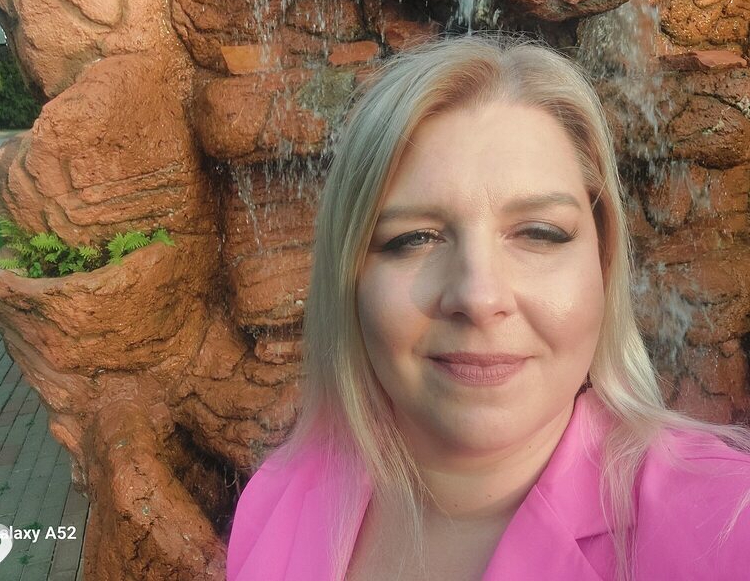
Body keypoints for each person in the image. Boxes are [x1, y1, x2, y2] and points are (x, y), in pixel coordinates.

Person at [225, 33, 750, 581]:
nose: (478, 298)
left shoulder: (729, 524)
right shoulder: (275, 499)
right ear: (349, 278)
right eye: (414, 238)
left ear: (604, 263)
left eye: (540, 233)